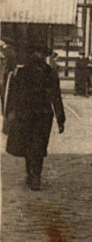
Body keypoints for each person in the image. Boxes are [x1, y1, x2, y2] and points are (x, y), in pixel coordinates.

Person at [5, 45, 65, 191]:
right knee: (36, 145)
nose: (39, 55)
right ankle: (34, 175)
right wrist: (60, 118)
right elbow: (56, 96)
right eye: (38, 53)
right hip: (39, 114)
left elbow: (55, 95)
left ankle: (33, 175)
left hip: (30, 114)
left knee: (32, 145)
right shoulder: (46, 72)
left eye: (40, 53)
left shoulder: (25, 72)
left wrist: (11, 112)